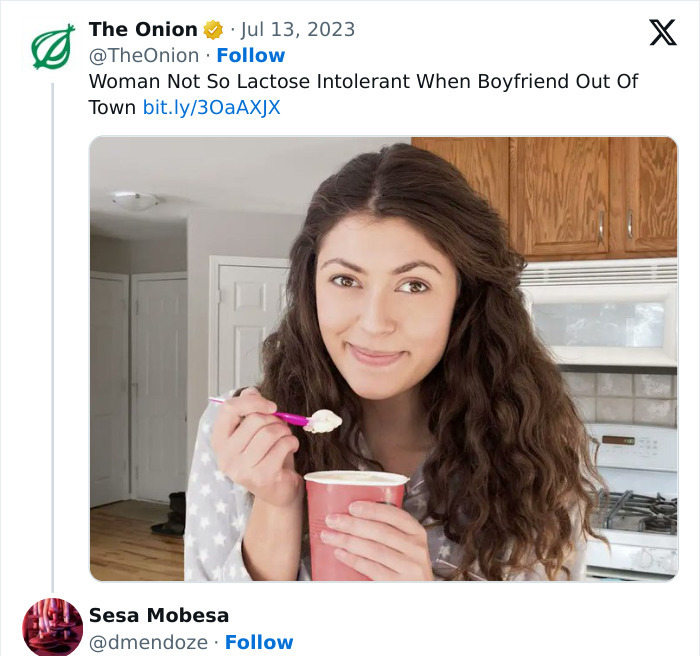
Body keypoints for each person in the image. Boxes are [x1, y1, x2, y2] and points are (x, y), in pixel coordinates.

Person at [185, 143, 602, 582]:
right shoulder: (237, 436)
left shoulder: (533, 447)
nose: (373, 323)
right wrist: (275, 504)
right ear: (311, 289)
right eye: (345, 280)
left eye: (414, 285)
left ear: (463, 300)